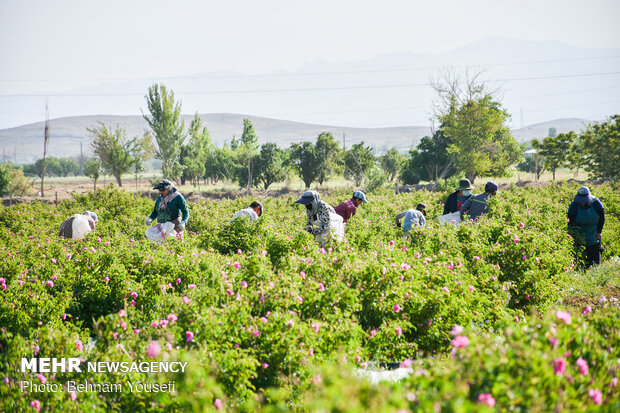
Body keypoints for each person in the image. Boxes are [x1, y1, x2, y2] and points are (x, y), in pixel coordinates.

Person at [567, 186, 605, 267]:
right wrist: (573, 235)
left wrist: (599, 231)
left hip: (594, 231)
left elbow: (602, 217)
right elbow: (570, 222)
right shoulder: (574, 206)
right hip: (580, 232)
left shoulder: (596, 203)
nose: (582, 203)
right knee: (584, 256)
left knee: (595, 255)